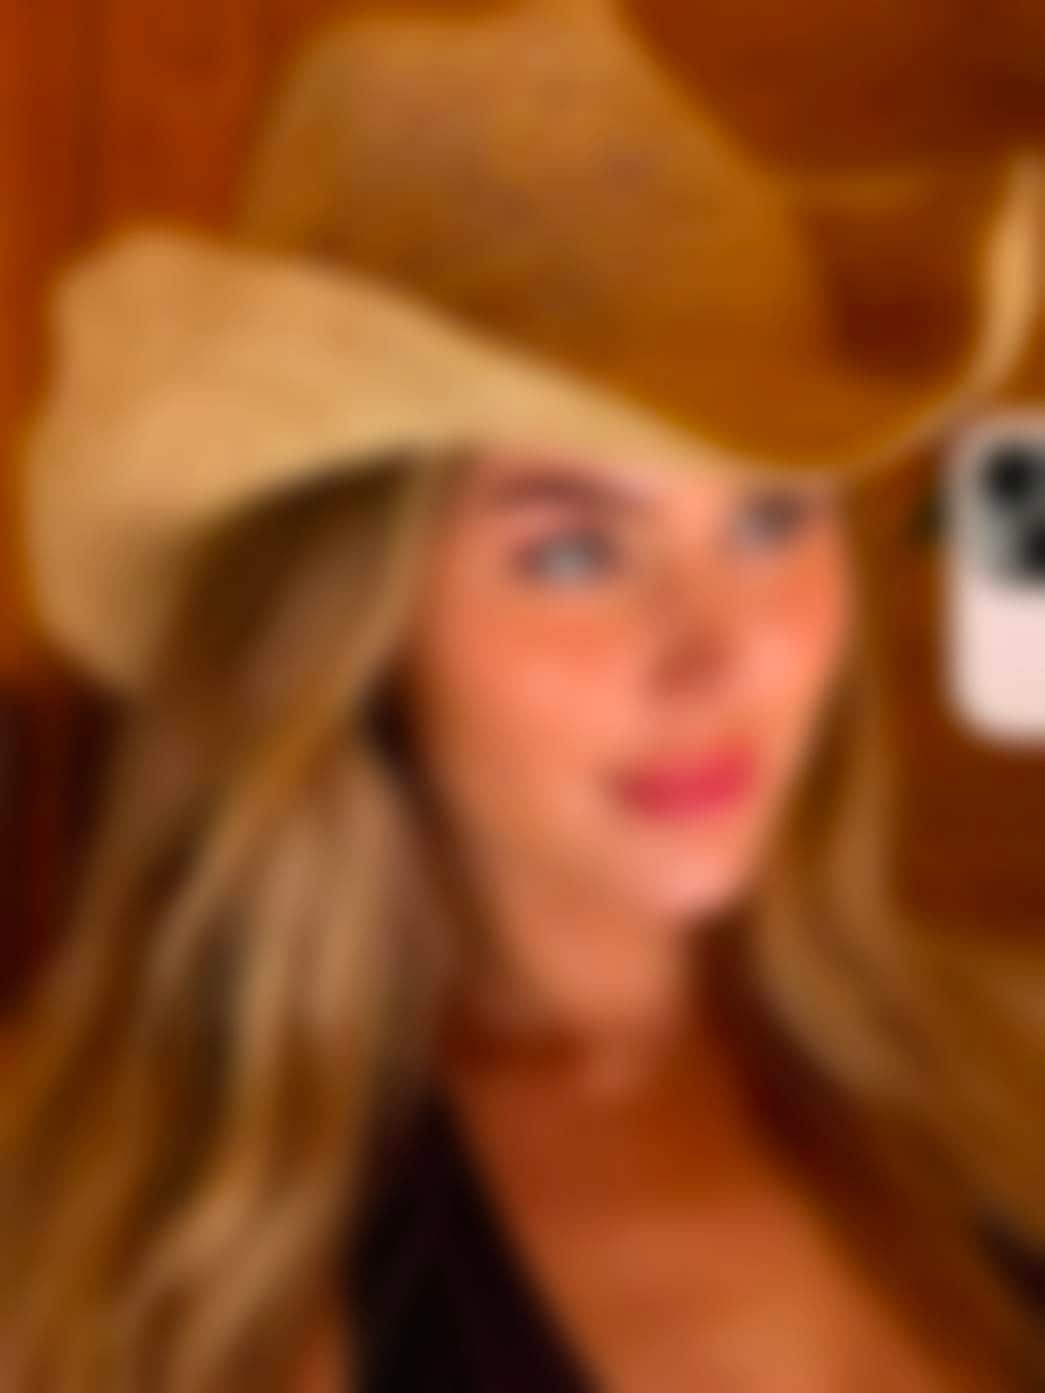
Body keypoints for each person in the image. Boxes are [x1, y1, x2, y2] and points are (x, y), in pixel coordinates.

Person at [5, 3, 1045, 1388]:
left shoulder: (1001, 1062)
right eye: (572, 551)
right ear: (361, 629)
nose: (719, 651)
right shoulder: (167, 1250)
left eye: (769, 519)